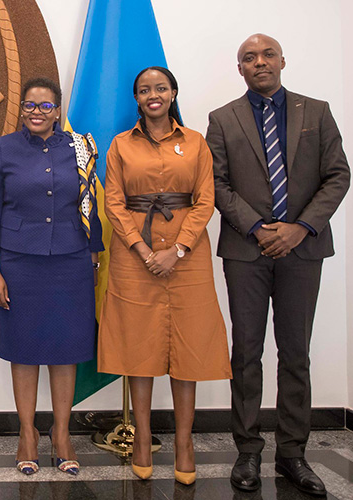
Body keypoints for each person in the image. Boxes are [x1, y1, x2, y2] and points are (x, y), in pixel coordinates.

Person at [206, 34, 349, 496]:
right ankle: (248, 451)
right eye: (249, 58)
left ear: (282, 61)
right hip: (246, 252)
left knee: (295, 355)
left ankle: (293, 455)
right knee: (246, 353)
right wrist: (259, 228)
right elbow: (218, 185)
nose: (260, 62)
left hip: (302, 250)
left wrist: (299, 228)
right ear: (240, 69)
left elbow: (337, 175)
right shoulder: (222, 119)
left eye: (267, 55)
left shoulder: (317, 111)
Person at [98, 66, 231, 485]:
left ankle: (185, 442)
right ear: (136, 99)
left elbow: (206, 200)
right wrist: (141, 248)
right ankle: (141, 439)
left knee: (189, 346)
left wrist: (178, 249)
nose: (152, 95)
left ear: (173, 93)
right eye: (143, 90)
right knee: (138, 344)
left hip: (186, 257)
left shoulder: (196, 143)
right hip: (132, 257)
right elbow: (114, 202)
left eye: (160, 88)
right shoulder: (120, 145)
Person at [0, 78, 103, 476]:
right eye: (30, 105)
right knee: (24, 349)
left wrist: (94, 256)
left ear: (58, 110)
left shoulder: (80, 148)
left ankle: (62, 434)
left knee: (66, 352)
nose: (36, 112)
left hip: (71, 261)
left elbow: (89, 204)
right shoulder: (2, 149)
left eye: (45, 106)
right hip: (18, 265)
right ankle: (27, 433)